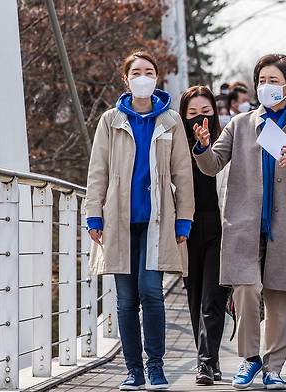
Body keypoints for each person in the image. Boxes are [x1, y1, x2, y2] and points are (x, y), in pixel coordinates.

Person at [193, 53, 286, 390]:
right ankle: (250, 358)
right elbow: (212, 165)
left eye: (273, 81)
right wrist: (202, 146)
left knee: (280, 298)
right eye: (262, 80)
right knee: (247, 290)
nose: (266, 86)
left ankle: (273, 368)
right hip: (244, 224)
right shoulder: (240, 125)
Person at [85, 50, 195, 391]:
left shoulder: (171, 121)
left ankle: (156, 367)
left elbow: (183, 173)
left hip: (157, 220)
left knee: (151, 292)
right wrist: (93, 213)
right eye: (136, 71)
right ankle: (133, 371)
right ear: (126, 78)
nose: (143, 76)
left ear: (157, 76)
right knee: (125, 299)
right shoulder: (110, 120)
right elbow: (98, 170)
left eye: (149, 71)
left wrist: (184, 220)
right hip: (118, 218)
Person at [178, 86, 230, 386]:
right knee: (195, 295)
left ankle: (207, 363)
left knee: (213, 297)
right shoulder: (173, 145)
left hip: (219, 226)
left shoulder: (225, 141)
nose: (200, 119)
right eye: (193, 113)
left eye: (206, 113)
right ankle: (209, 358)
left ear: (216, 112)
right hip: (186, 228)